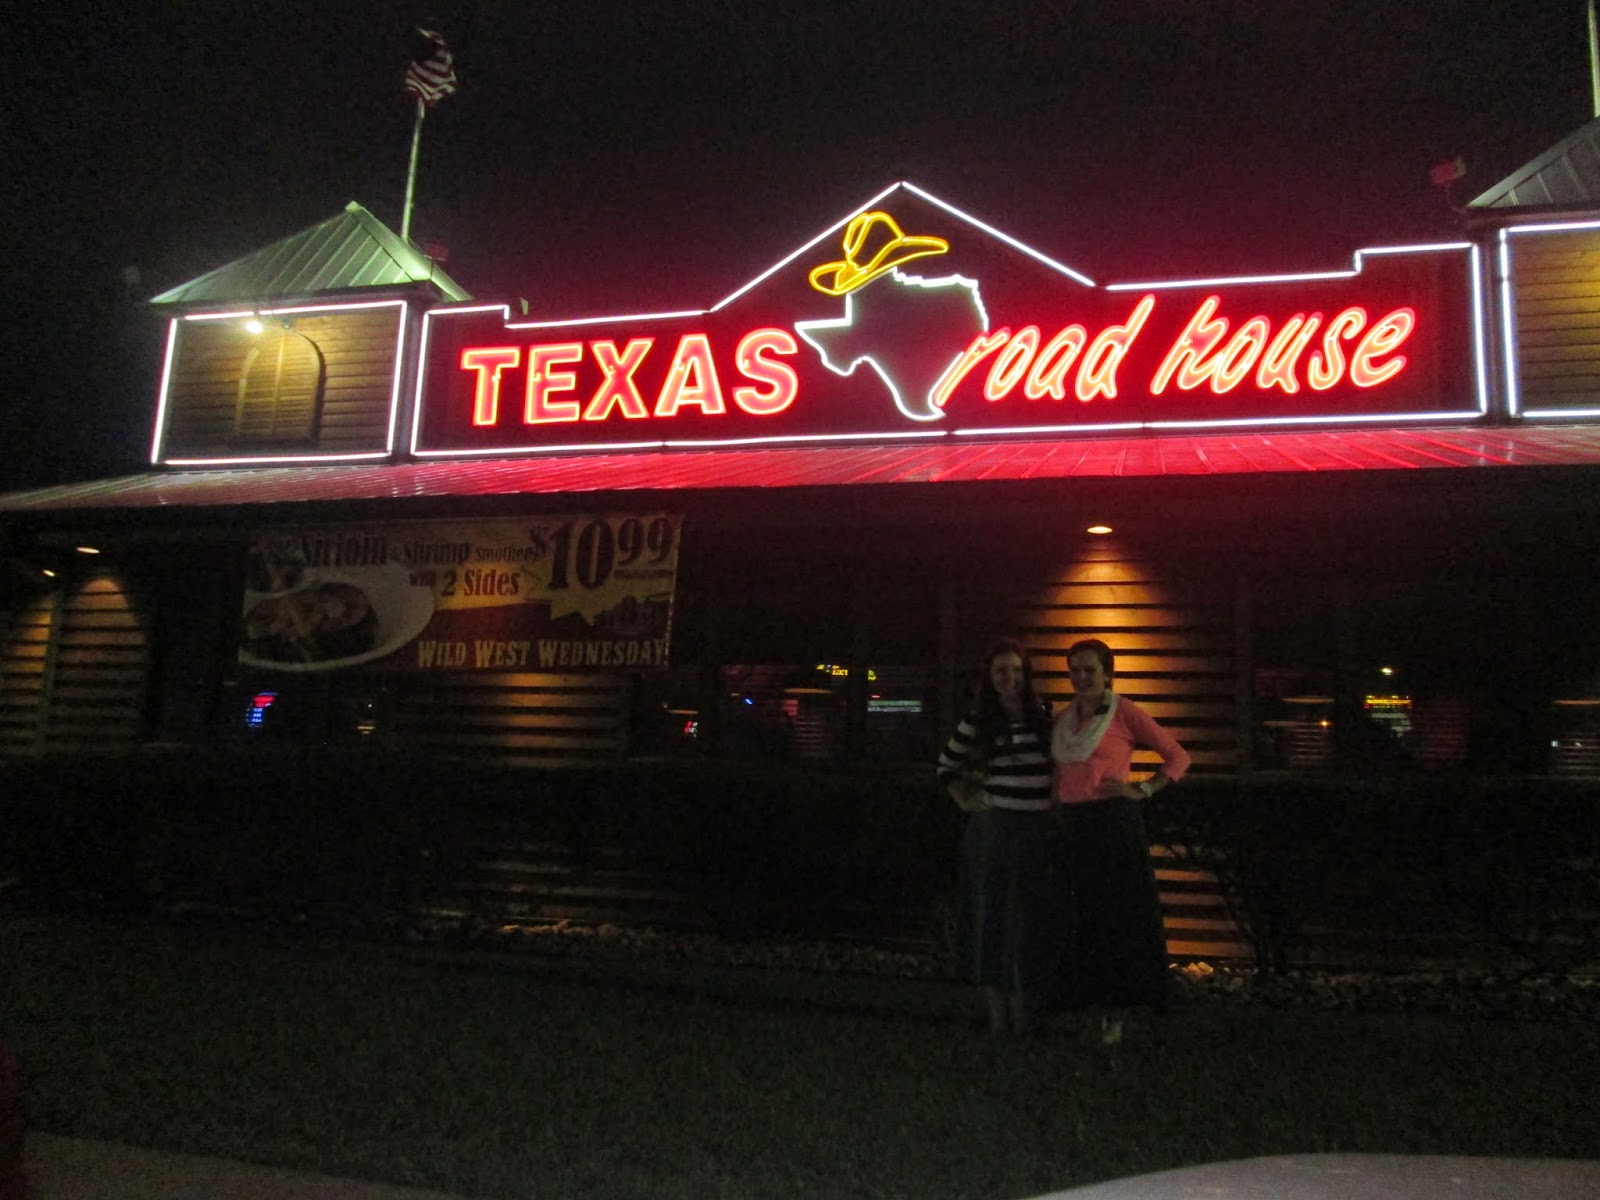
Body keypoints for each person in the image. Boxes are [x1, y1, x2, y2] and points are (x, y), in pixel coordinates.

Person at [1051, 638, 1190, 1015]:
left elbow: (1178, 757)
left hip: (1113, 822)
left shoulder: (1124, 712)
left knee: (1122, 910)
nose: (1081, 677)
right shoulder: (1061, 721)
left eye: (1090, 669)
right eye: (1075, 670)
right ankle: (1085, 993)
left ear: (1107, 673)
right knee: (1082, 910)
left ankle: (1133, 994)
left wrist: (1143, 788)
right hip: (1073, 824)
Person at [937, 638, 1057, 1034]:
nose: (1010, 678)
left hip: (1036, 831)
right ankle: (998, 1021)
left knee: (1028, 923)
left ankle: (1025, 1017)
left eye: (1017, 670)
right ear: (989, 677)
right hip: (996, 832)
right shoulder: (978, 720)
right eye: (1002, 671)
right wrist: (964, 797)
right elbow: (946, 766)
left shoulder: (1044, 715)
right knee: (993, 920)